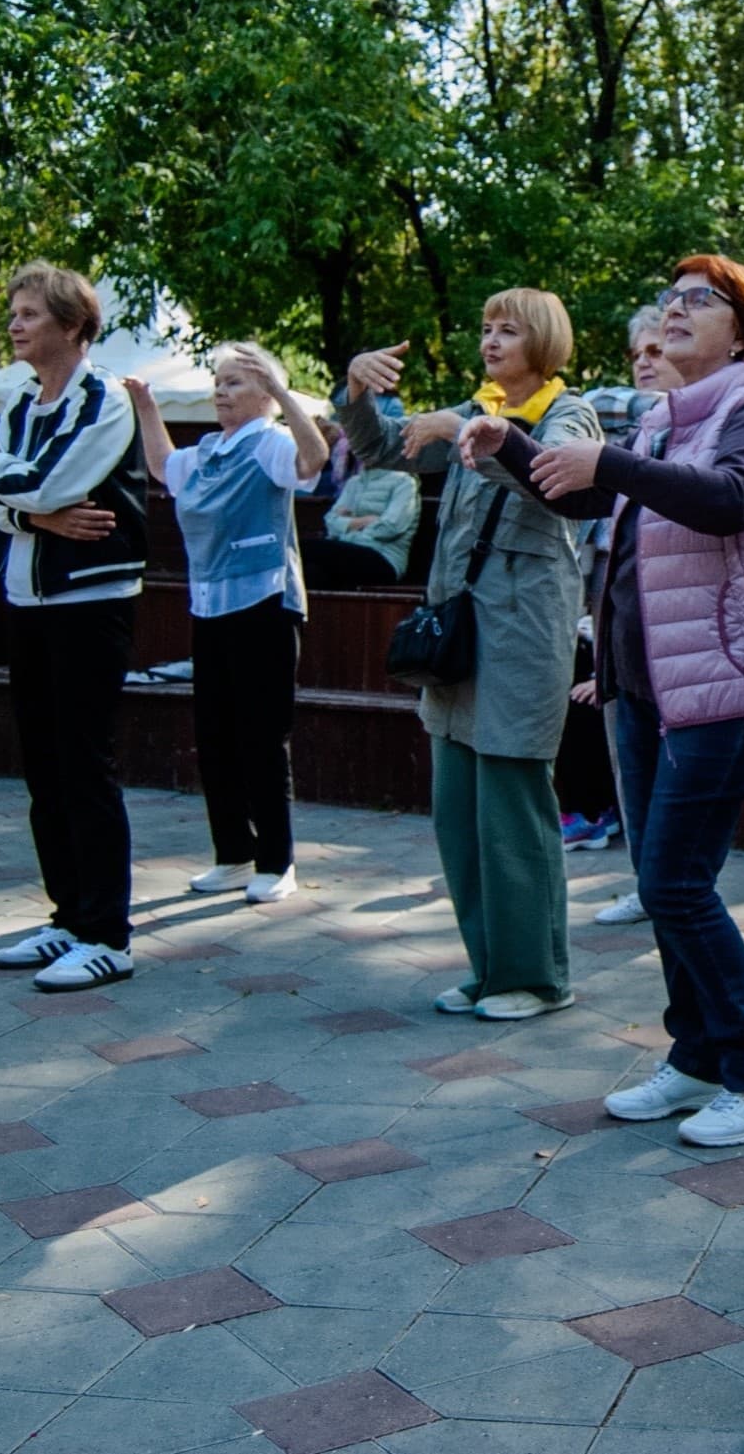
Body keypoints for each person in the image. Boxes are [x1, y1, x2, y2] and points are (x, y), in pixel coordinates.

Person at [464, 256, 744, 1147]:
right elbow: (590, 490)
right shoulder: (666, 417)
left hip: (725, 682)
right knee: (664, 884)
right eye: (668, 300)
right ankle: (696, 1052)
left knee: (673, 880)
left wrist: (616, 460)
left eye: (695, 301)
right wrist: (507, 444)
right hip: (644, 683)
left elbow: (735, 503)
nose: (672, 312)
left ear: (743, 329)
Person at [342, 290, 602, 1021]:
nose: (490, 340)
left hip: (522, 633)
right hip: (458, 635)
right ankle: (489, 969)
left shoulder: (567, 411)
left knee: (512, 806)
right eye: (486, 328)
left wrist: (467, 426)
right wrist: (357, 389)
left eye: (507, 329)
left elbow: (552, 476)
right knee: (457, 809)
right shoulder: (471, 403)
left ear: (544, 339)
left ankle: (538, 977)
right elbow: (378, 449)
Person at [0, 263, 149, 992]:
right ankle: (67, 916)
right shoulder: (19, 400)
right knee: (43, 767)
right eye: (13, 313)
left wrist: (14, 493)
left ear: (72, 325)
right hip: (27, 599)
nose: (15, 325)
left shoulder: (104, 400)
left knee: (84, 764)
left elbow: (45, 481)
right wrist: (32, 513)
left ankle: (108, 933)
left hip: (88, 600)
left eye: (29, 314)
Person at [127, 343, 327, 904]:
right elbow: (165, 467)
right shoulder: (210, 449)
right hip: (210, 604)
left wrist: (287, 397)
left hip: (265, 602)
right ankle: (234, 855)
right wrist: (145, 406)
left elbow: (312, 463)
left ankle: (276, 860)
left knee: (262, 737)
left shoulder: (272, 441)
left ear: (265, 393)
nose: (221, 391)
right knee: (214, 737)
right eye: (218, 381)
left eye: (236, 382)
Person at [588, 306, 677, 914]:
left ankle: (671, 887)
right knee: (630, 761)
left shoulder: (711, 421)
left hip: (676, 623)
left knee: (674, 770)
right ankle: (649, 885)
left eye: (658, 350)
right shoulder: (637, 427)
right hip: (615, 607)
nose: (644, 363)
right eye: (637, 353)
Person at [301, 460, 420, 588]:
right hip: (347, 551)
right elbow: (330, 522)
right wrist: (364, 521)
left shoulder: (405, 482)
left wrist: (347, 527)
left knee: (306, 548)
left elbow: (390, 528)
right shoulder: (354, 482)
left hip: (383, 557)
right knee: (311, 573)